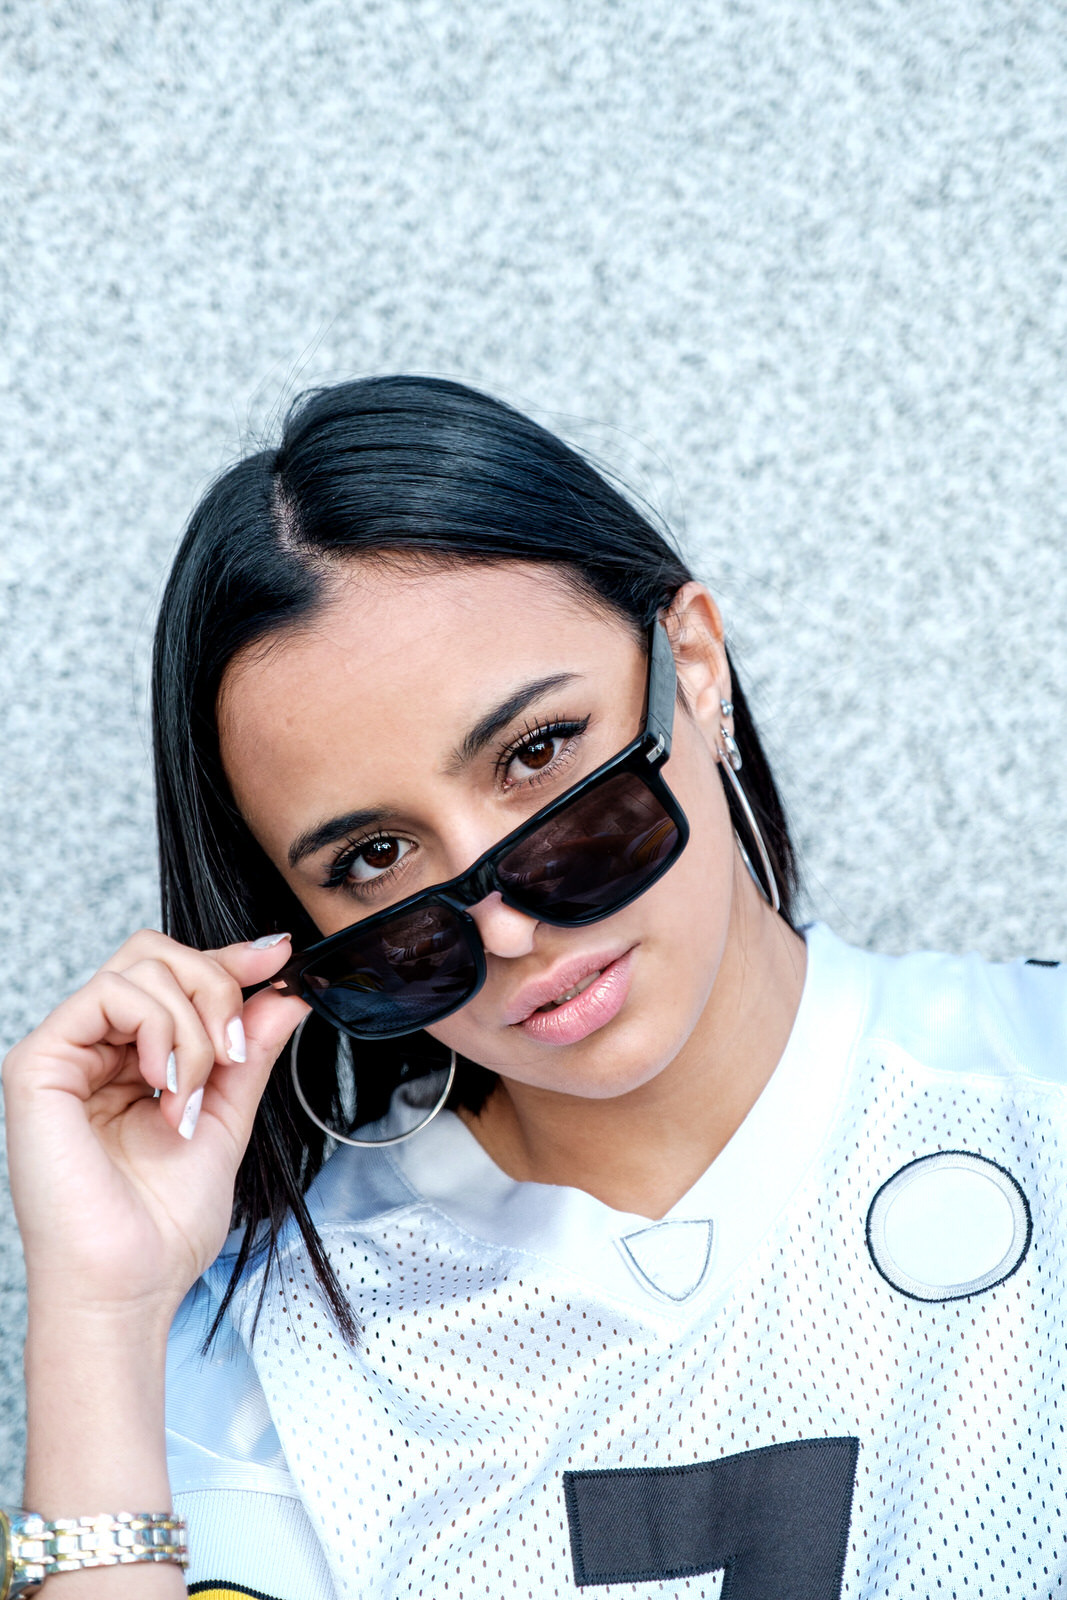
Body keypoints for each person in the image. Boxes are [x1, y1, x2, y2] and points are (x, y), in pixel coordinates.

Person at [3, 376, 1065, 1600]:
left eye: (537, 753)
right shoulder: (273, 1352)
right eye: (374, 859)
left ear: (692, 663)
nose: (503, 923)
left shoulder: (1035, 1092)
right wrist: (101, 1310)